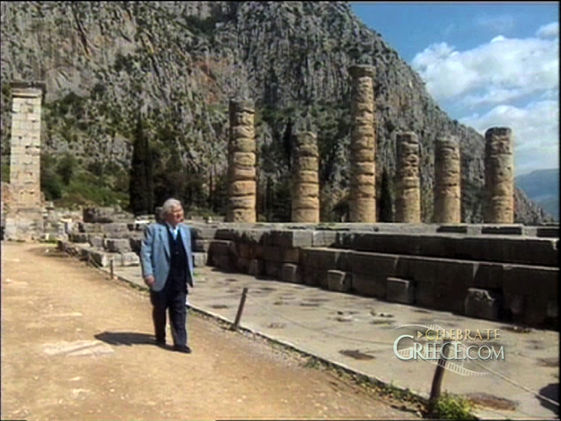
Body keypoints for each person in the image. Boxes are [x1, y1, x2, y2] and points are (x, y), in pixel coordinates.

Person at [140, 198, 194, 353]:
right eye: (175, 212)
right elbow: (146, 253)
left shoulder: (185, 230)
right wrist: (148, 274)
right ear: (166, 215)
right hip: (161, 276)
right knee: (160, 308)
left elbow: (187, 253)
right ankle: (160, 335)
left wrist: (190, 274)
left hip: (179, 276)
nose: (179, 214)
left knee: (179, 309)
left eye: (180, 211)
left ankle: (180, 342)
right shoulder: (154, 230)